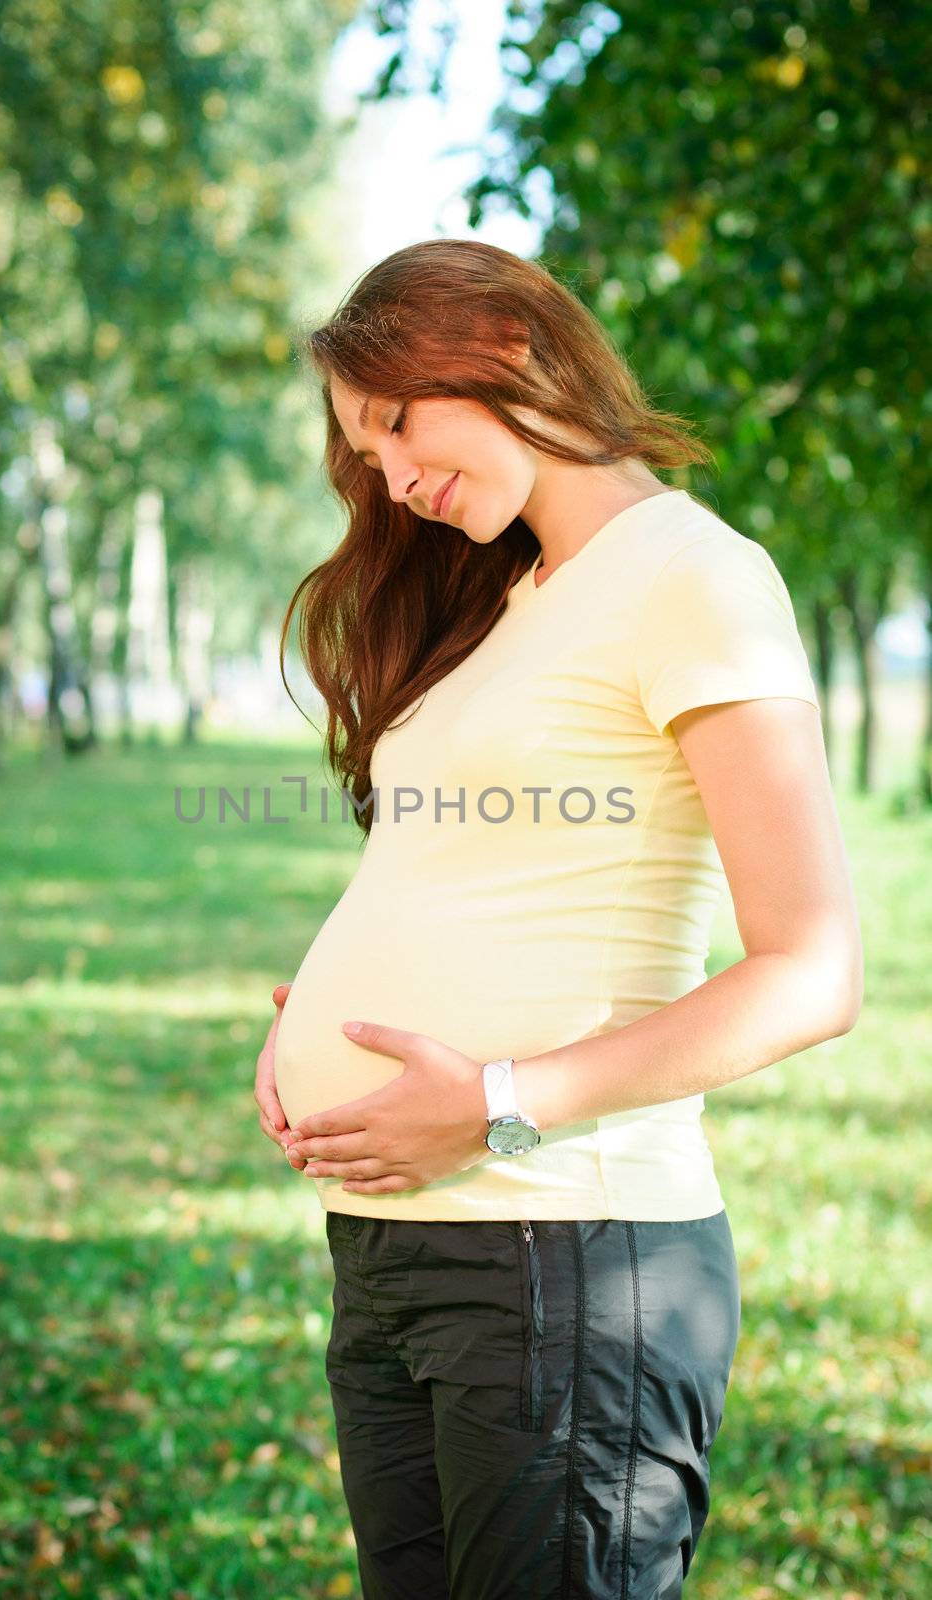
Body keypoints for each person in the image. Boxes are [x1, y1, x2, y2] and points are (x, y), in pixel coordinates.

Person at [253, 239, 863, 1599]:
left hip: (565, 1259)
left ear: (511, 350)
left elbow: (814, 969)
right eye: (368, 455)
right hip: (398, 1257)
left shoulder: (693, 578)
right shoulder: (508, 603)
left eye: (397, 426)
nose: (394, 480)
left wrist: (502, 1098)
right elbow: (454, 865)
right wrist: (319, 1025)